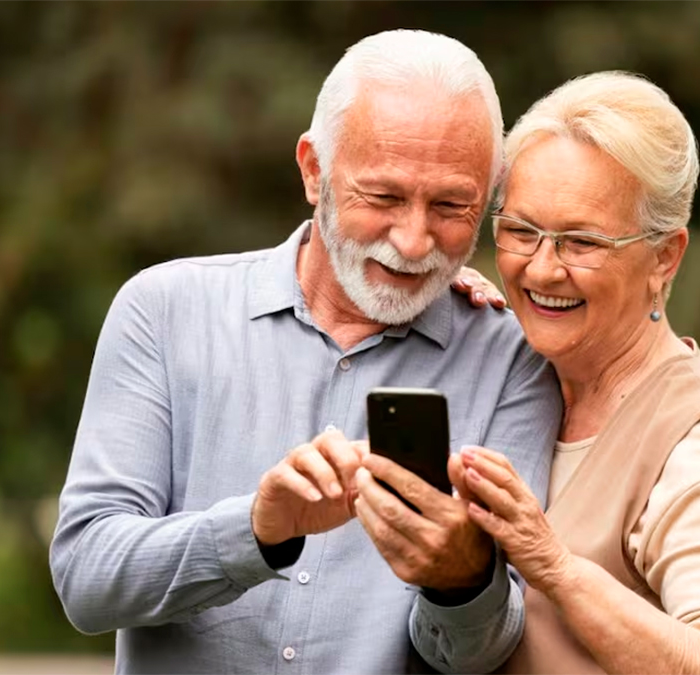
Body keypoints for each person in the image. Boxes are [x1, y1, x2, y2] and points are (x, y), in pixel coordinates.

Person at [49, 29, 561, 674]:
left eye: (451, 206)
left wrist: (460, 579)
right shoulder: (164, 310)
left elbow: (483, 654)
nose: (412, 240)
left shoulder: (515, 362)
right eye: (384, 197)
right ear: (314, 171)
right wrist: (256, 531)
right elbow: (87, 582)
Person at [456, 71, 700, 674]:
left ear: (664, 256)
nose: (540, 270)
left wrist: (556, 568)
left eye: (581, 242)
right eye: (520, 231)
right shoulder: (520, 370)